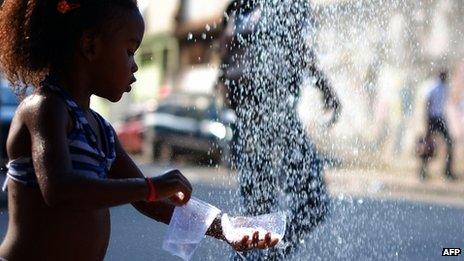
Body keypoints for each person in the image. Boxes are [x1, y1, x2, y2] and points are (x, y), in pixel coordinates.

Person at [0, 0, 278, 260]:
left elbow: (153, 201)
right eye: (129, 51)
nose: (134, 66)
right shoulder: (45, 109)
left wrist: (225, 227)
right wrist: (149, 188)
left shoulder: (101, 130)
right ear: (90, 45)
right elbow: (60, 190)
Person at [217, 0, 341, 259]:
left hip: (274, 119)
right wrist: (324, 87)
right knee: (263, 211)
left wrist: (323, 86)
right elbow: (232, 44)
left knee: (305, 204)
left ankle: (273, 253)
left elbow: (294, 46)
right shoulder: (254, 9)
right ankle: (269, 254)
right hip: (259, 120)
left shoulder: (275, 8)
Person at [419, 70, 457, 180]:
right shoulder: (433, 86)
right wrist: (426, 120)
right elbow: (427, 103)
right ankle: (423, 171)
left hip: (440, 118)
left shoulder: (445, 87)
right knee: (428, 145)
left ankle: (447, 171)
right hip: (432, 118)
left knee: (449, 142)